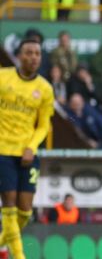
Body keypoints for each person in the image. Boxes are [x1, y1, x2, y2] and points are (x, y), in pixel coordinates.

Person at [0, 40, 54, 259]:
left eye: (37, 53)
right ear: (19, 56)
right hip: (3, 150)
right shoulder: (3, 77)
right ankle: (19, 256)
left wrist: (31, 147)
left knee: (25, 212)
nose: (33, 57)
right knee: (10, 207)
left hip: (27, 153)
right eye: (28, 53)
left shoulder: (45, 89)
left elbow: (43, 125)